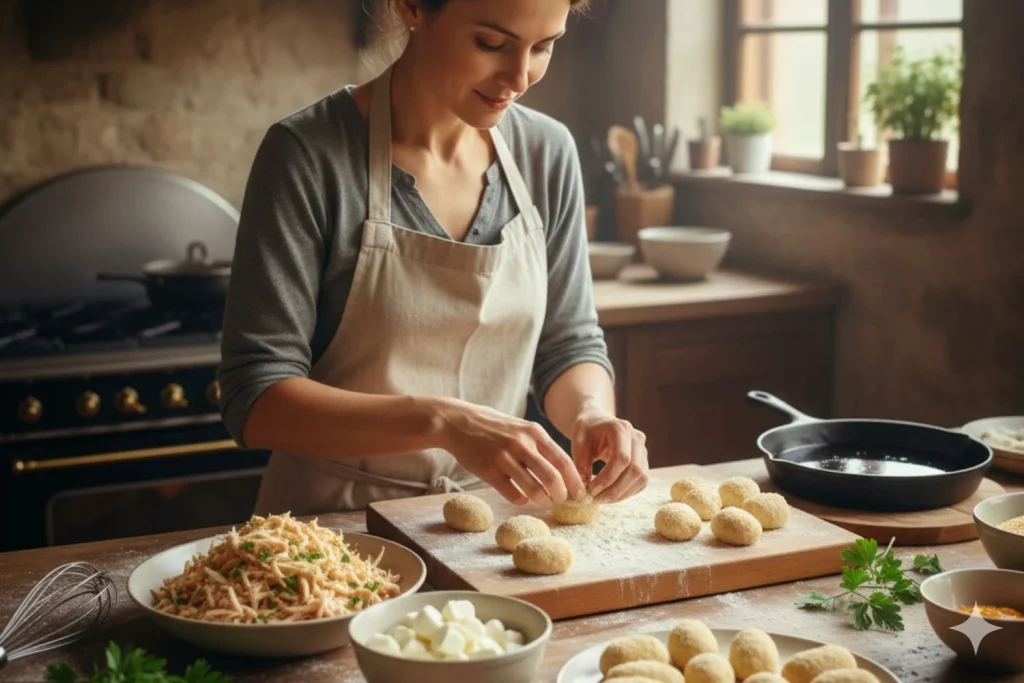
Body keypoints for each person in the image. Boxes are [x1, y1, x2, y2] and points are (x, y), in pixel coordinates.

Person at [217, 0, 649, 517]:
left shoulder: (546, 153)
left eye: (543, 47)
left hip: (493, 523)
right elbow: (256, 397)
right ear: (412, 7)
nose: (519, 77)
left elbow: (568, 342)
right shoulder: (309, 155)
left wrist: (590, 412)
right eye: (491, 43)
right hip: (330, 529)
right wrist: (442, 423)